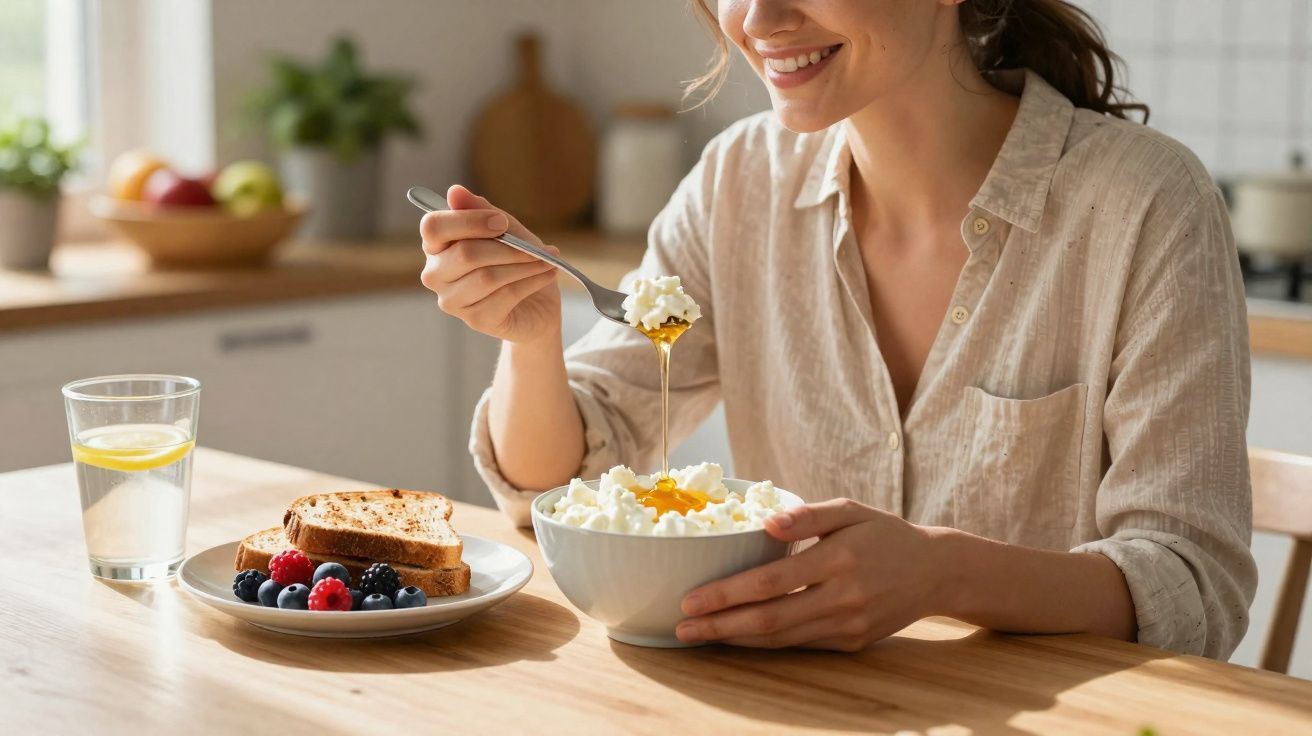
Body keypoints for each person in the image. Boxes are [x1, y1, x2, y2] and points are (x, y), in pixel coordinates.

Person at [418, 0, 1255, 659]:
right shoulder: (738, 182)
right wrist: (530, 341)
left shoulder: (1146, 204)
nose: (758, 18)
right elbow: (551, 484)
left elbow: (1191, 587)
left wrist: (942, 573)